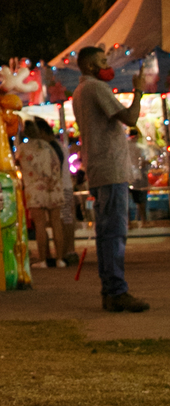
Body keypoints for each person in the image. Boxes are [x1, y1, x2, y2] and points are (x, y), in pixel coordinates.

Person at [71, 47, 150, 313]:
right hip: (110, 169)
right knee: (115, 233)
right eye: (103, 61)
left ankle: (111, 291)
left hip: (99, 169)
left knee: (107, 234)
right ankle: (117, 291)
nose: (108, 65)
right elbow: (130, 118)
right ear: (92, 66)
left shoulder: (80, 91)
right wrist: (137, 90)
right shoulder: (95, 89)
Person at [16, 119, 69, 267]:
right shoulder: (48, 146)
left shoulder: (22, 149)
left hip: (34, 189)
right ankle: (60, 259)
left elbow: (17, 165)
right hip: (54, 187)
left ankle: (43, 259)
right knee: (56, 223)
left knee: (40, 225)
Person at [33, 116, 78, 266]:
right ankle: (66, 252)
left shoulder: (52, 147)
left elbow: (55, 170)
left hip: (61, 188)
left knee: (65, 221)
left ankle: (67, 252)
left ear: (43, 131)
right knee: (65, 221)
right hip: (63, 187)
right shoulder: (57, 146)